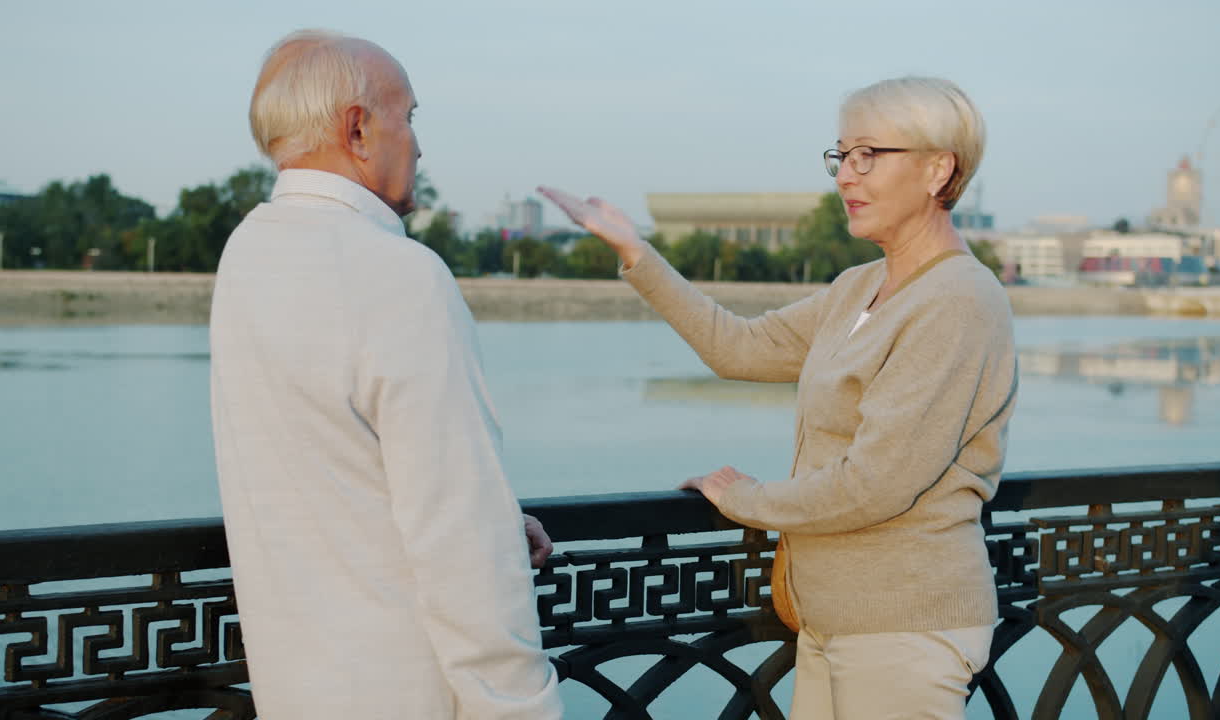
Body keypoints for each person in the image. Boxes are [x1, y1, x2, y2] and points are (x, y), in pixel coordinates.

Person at [540, 76, 1017, 719]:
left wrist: (744, 500)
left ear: (938, 169)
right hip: (830, 619)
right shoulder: (860, 287)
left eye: (869, 155)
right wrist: (636, 252)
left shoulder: (958, 300)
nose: (847, 175)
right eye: (841, 156)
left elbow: (874, 484)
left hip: (904, 627)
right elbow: (737, 347)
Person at [209, 29, 562, 719]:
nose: (420, 146)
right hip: (410, 688)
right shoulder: (400, 275)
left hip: (296, 685)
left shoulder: (248, 252)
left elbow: (326, 459)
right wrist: (521, 706)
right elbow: (458, 535)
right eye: (410, 117)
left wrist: (492, 513)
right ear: (358, 129)